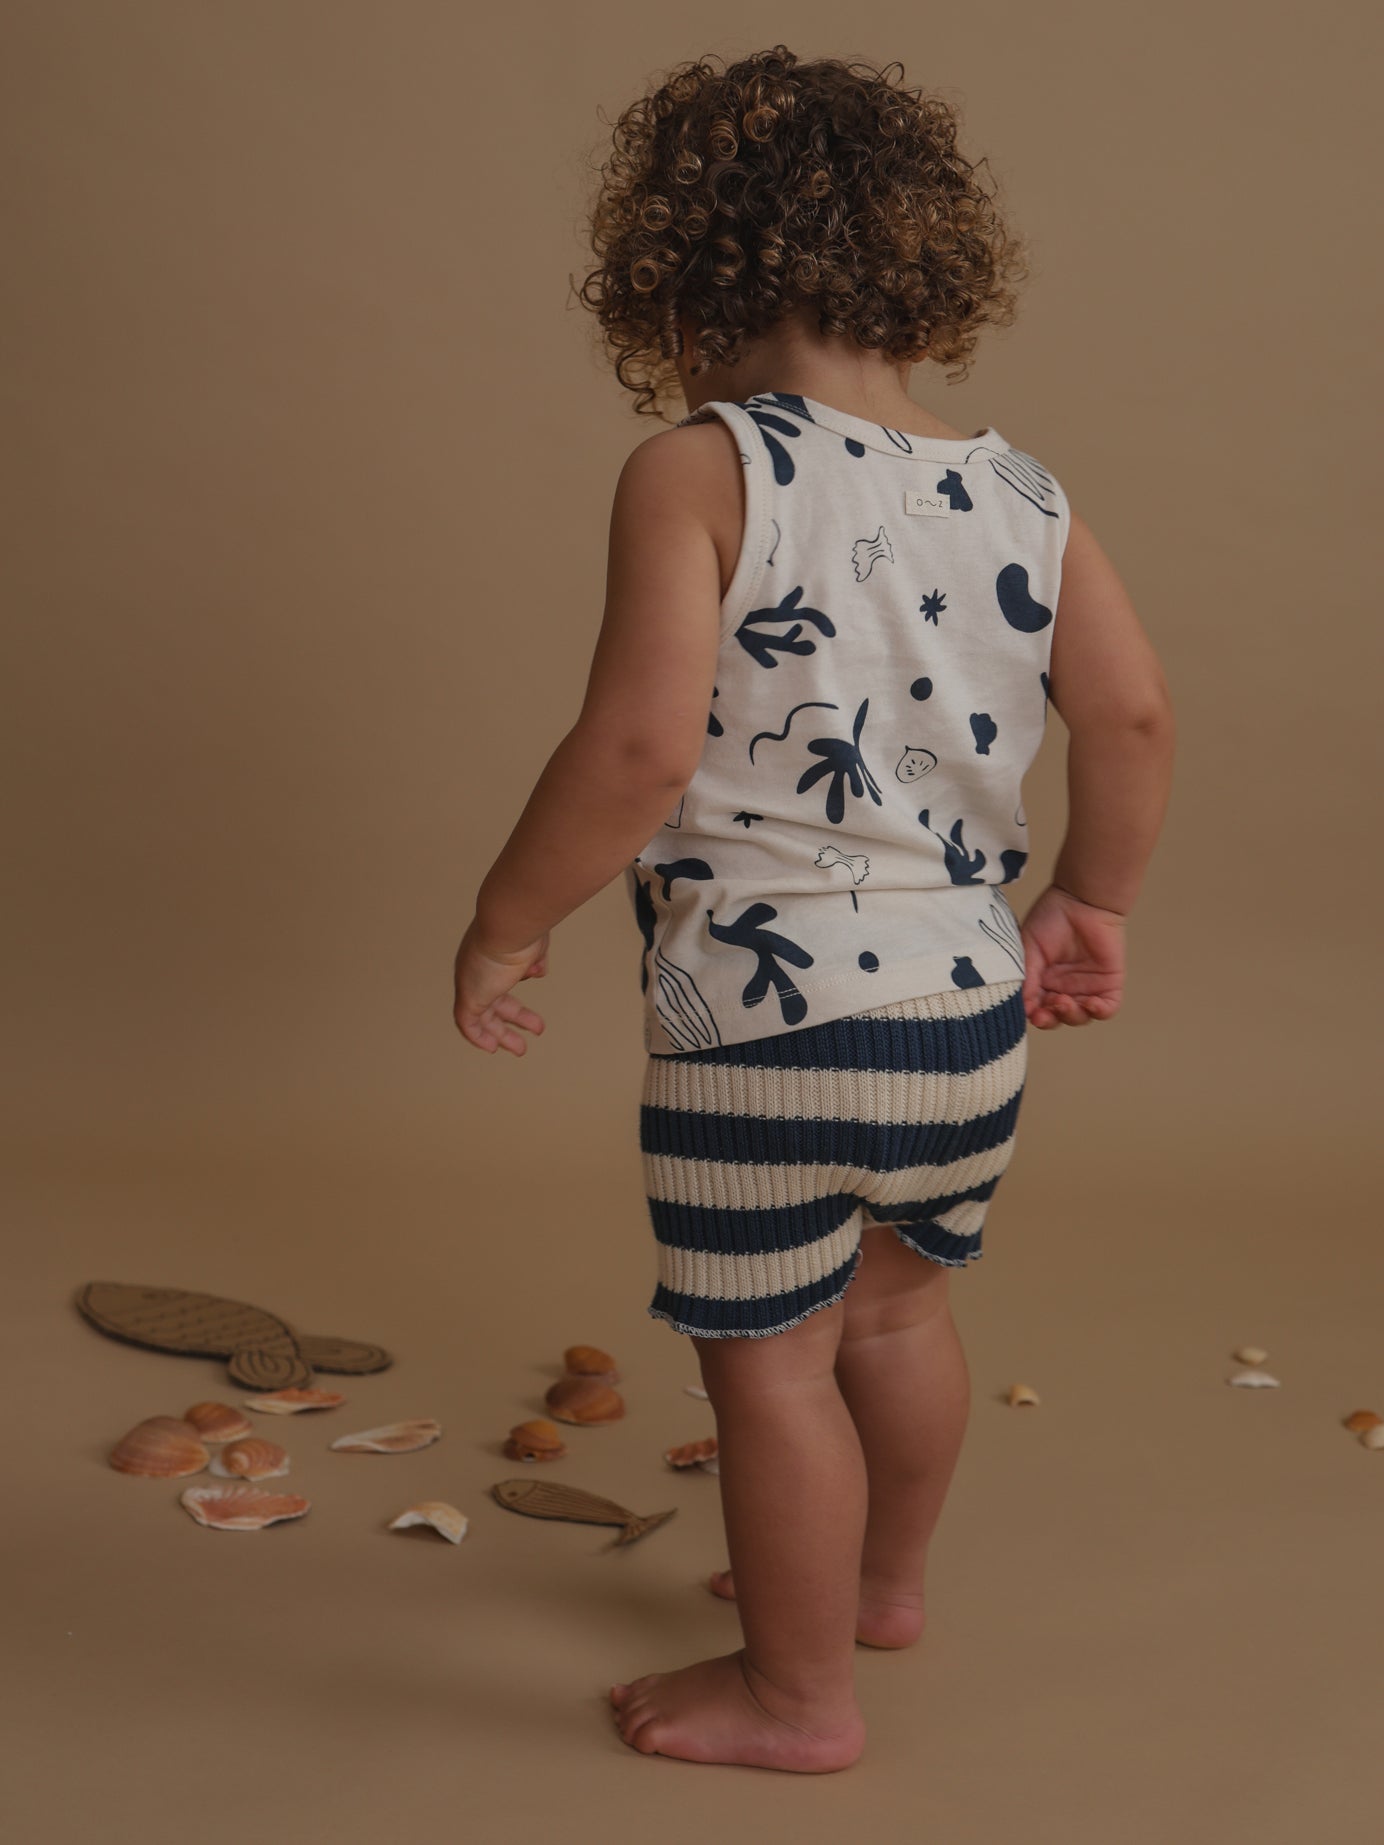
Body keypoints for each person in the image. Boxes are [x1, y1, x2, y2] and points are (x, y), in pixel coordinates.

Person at [452, 46, 1175, 1775]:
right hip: (966, 1015)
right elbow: (1135, 716)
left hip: (766, 1032)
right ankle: (882, 1588)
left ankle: (794, 1695)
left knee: (767, 1365)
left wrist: (505, 916)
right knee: (900, 1316)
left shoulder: (703, 469)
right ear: (921, 261)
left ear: (682, 270)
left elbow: (635, 750)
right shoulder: (1021, 493)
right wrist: (1094, 897)